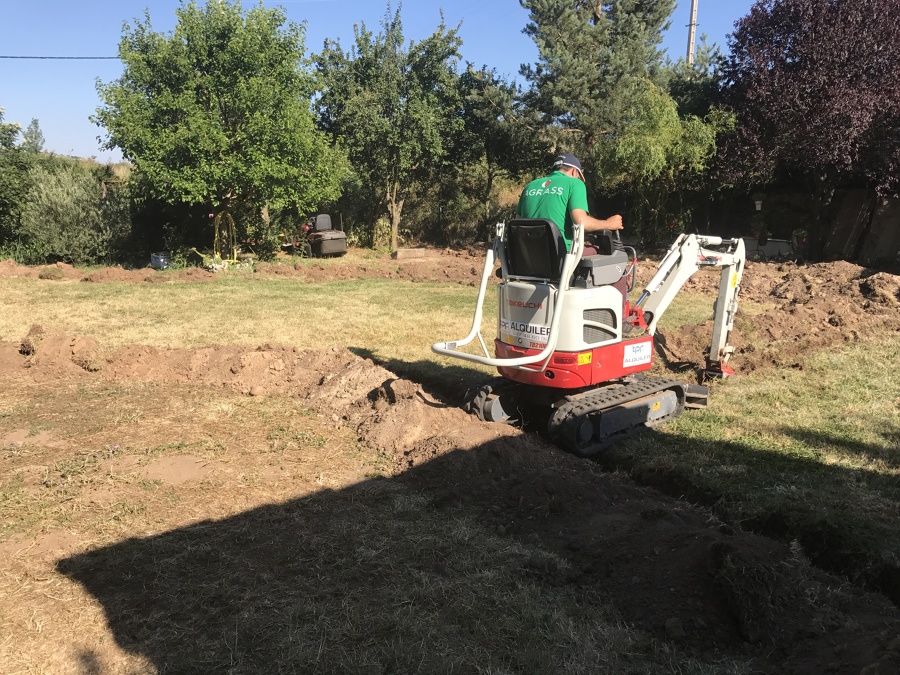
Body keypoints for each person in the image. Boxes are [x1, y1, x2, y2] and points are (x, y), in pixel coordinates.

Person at [516, 153, 623, 253]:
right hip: (560, 253)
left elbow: (518, 224)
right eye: (578, 176)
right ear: (573, 171)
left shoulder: (530, 186)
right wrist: (610, 224)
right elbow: (581, 223)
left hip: (527, 255)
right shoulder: (574, 183)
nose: (578, 179)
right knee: (610, 254)